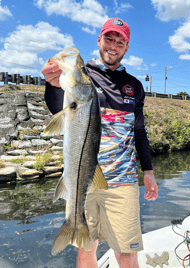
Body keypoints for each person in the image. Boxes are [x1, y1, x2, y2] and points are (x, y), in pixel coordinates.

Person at [41, 18, 158, 268]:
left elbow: (139, 132)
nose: (113, 46)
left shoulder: (134, 86)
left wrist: (148, 171)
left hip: (124, 180)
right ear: (99, 40)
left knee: (126, 253)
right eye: (108, 39)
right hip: (82, 178)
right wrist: (52, 85)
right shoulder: (84, 76)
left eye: (120, 42)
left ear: (126, 48)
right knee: (85, 250)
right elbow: (57, 107)